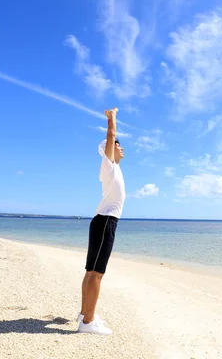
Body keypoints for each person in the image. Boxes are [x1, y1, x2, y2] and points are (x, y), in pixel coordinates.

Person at [77, 107, 125, 335]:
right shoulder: (108, 165)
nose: (121, 148)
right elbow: (110, 135)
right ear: (109, 150)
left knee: (91, 272)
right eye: (118, 145)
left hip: (102, 222)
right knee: (97, 274)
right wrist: (112, 117)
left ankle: (85, 314)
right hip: (106, 222)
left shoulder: (114, 170)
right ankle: (88, 322)